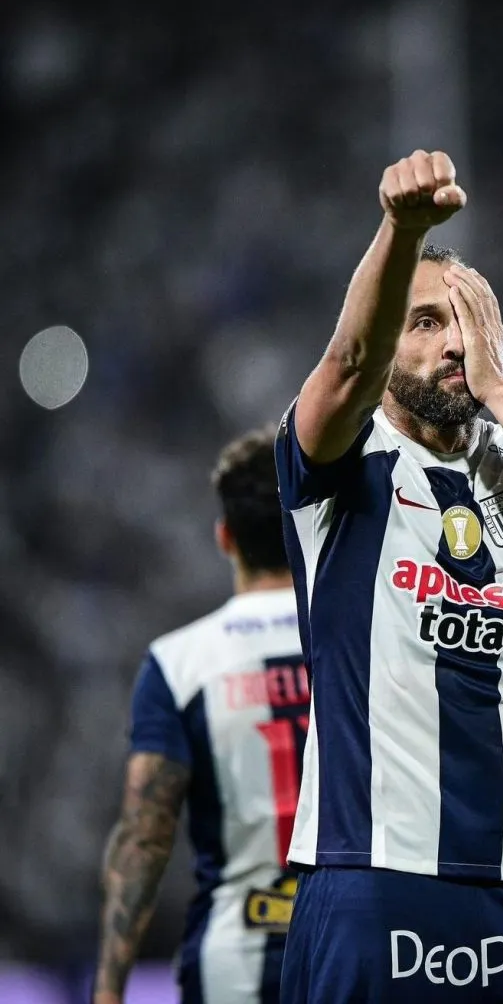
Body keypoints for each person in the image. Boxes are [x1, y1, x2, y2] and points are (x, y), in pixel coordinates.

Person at [275, 150, 503, 1003]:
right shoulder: (343, 459)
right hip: (375, 875)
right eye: (423, 323)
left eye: (465, 321)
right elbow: (342, 366)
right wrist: (402, 232)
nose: (451, 342)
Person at [94, 425, 309, 1004]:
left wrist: (109, 989)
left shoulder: (181, 663)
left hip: (234, 961)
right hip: (357, 954)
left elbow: (145, 836)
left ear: (224, 537)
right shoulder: (363, 642)